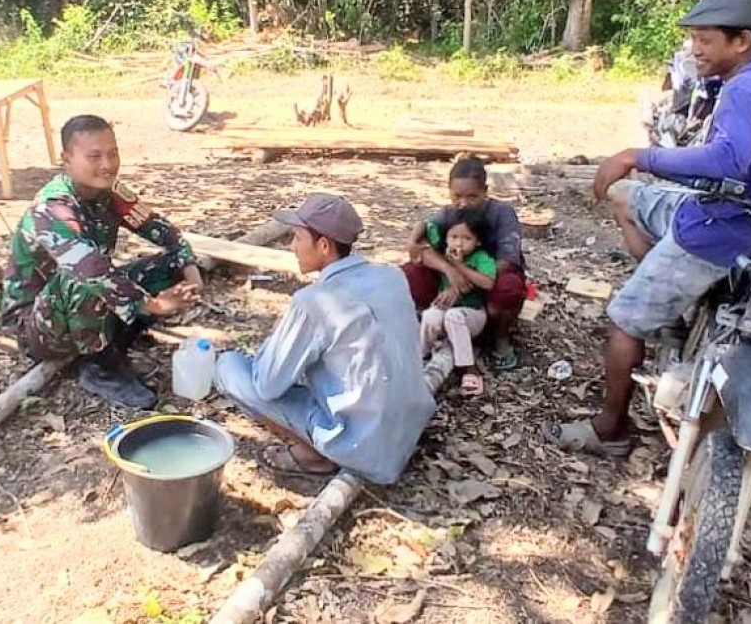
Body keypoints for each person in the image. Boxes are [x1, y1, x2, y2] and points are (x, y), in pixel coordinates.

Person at [543, 0, 751, 456]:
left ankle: (609, 429)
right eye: (693, 39)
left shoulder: (747, 88)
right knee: (626, 198)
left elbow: (728, 160)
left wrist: (639, 155)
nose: (695, 50)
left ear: (742, 41)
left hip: (721, 229)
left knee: (622, 322)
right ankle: (671, 312)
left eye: (706, 40)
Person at [214, 193, 436, 484]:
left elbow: (267, 385)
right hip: (409, 426)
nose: (292, 247)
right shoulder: (391, 275)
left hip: (362, 447)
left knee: (228, 366)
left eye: (297, 238)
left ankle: (315, 455)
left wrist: (278, 339)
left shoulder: (314, 301)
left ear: (323, 246)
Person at [1, 115, 202, 409]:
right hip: (37, 325)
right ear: (66, 160)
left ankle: (116, 337)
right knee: (83, 275)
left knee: (171, 264)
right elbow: (89, 269)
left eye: (113, 153)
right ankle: (99, 366)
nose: (107, 164)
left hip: (82, 300)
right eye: (94, 156)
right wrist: (153, 304)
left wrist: (189, 267)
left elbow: (162, 230)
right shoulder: (52, 207)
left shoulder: (112, 193)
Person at [403, 157, 527, 371]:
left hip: (488, 278)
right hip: (453, 277)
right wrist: (449, 270)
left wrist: (461, 284)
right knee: (410, 272)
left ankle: (499, 337)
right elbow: (422, 247)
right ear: (449, 192)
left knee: (509, 286)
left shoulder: (502, 214)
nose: (463, 203)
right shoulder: (448, 214)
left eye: (472, 197)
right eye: (457, 196)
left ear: (485, 191)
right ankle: (430, 327)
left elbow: (506, 260)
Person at [419, 207, 496, 397]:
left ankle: (468, 369)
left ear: (478, 241)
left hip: (473, 314)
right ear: (446, 238)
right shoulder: (444, 254)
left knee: (454, 316)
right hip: (447, 308)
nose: (459, 243)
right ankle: (422, 355)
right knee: (430, 315)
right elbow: (423, 228)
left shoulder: (481, 258)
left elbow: (487, 282)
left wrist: (459, 266)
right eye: (453, 237)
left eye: (466, 238)